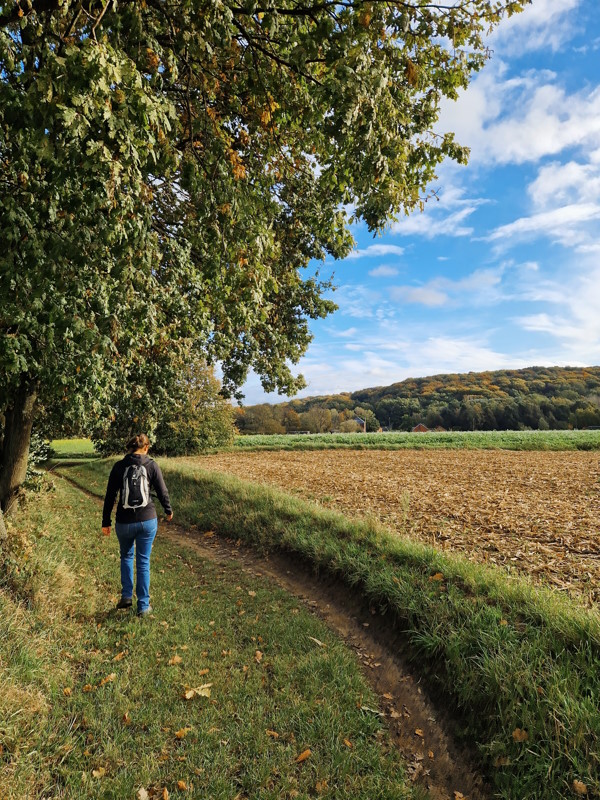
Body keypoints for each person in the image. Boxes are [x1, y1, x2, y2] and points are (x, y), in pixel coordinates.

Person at [101, 433, 173, 617]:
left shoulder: (118, 466)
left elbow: (110, 496)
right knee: (143, 562)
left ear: (129, 448)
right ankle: (143, 606)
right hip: (147, 520)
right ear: (146, 448)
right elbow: (162, 491)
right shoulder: (151, 465)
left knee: (125, 556)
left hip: (123, 523)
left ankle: (126, 595)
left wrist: (106, 522)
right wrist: (168, 510)